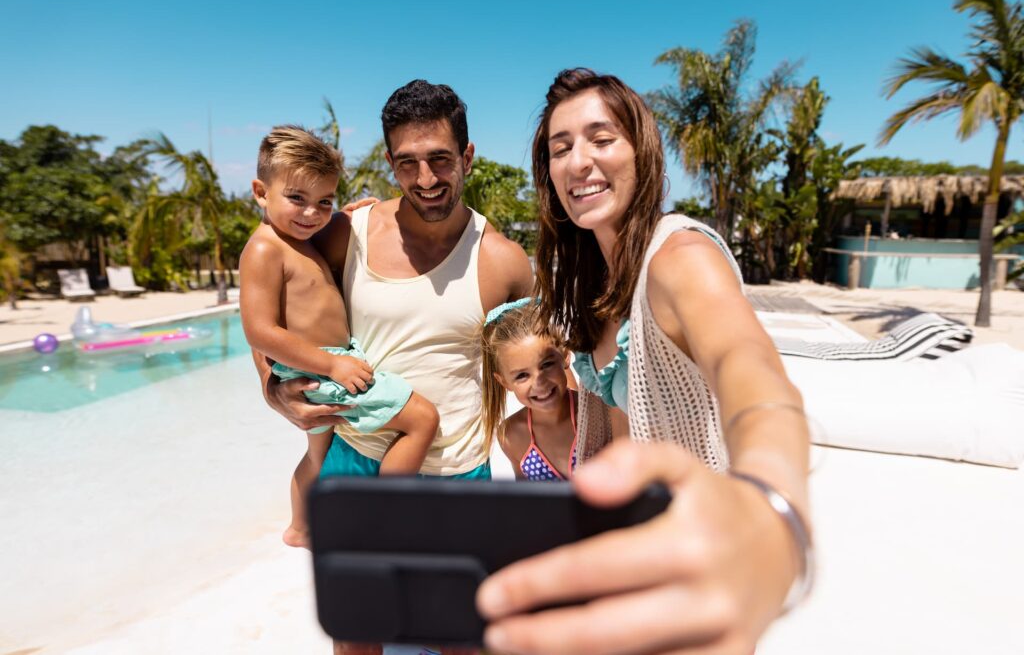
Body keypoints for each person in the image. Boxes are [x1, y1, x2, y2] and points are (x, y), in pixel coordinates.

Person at [475, 68, 812, 654]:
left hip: (700, 566)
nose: (579, 161)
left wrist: (772, 509)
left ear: (642, 150)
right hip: (636, 570)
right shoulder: (586, 283)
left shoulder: (679, 257)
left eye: (601, 139)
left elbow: (752, 371)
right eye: (562, 148)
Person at [252, 81, 533, 654]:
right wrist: (273, 389)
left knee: (461, 637)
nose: (426, 179)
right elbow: (278, 309)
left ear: (468, 158)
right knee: (358, 635)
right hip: (357, 456)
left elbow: (537, 367)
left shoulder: (503, 261)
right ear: (389, 163)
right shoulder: (343, 232)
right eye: (408, 163)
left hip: (457, 474)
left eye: (440, 160)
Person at [239, 125, 439, 549]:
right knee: (423, 419)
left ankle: (299, 529)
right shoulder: (264, 249)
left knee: (316, 456)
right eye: (297, 199)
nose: (311, 213)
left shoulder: (300, 240)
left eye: (323, 202)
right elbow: (259, 330)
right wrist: (332, 364)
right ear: (261, 191)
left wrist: (352, 215)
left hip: (326, 362)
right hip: (322, 367)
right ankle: (382, 515)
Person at [481, 298, 578, 481]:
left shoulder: (599, 414)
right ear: (504, 382)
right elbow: (527, 500)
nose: (539, 382)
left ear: (565, 356)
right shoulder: (511, 435)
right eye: (522, 376)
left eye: (547, 364)